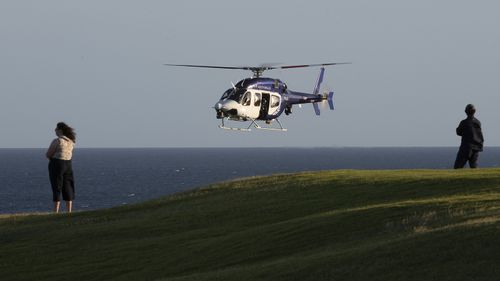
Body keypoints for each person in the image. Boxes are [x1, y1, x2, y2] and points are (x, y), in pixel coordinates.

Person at [46, 122, 76, 213]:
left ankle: (56, 211)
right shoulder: (71, 142)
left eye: (56, 129)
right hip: (68, 164)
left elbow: (48, 154)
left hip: (57, 164)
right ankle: (69, 211)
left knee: (56, 186)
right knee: (68, 186)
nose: (55, 131)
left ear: (60, 130)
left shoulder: (57, 141)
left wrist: (51, 158)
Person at [454, 104, 484, 169]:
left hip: (466, 147)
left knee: (458, 166)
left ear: (466, 111)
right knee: (473, 166)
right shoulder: (478, 122)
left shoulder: (464, 122)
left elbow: (458, 132)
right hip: (476, 147)